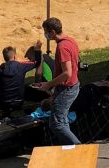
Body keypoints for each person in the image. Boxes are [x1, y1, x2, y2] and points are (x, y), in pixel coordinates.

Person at [35, 17, 81, 145]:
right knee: (62, 121)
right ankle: (69, 150)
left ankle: (77, 148)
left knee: (56, 123)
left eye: (46, 32)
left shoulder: (62, 47)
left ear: (52, 32)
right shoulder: (71, 41)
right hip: (72, 86)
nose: (45, 35)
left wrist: (48, 85)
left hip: (67, 89)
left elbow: (67, 73)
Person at [0, 45, 41, 113]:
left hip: (3, 103)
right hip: (19, 102)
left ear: (4, 58)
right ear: (14, 56)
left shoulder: (0, 70)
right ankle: (6, 116)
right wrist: (37, 50)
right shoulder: (22, 66)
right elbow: (37, 62)